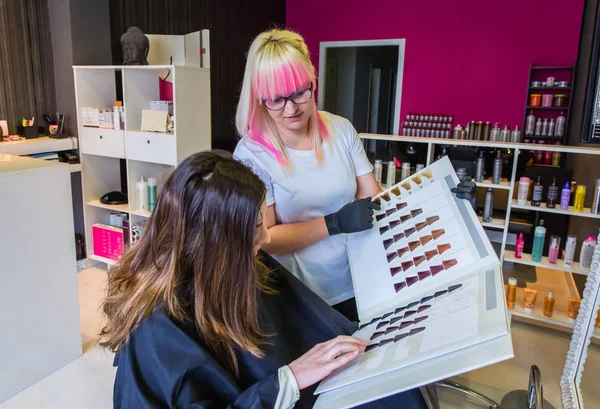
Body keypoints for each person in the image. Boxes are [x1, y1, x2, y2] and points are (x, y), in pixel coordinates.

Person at [101, 151, 426, 409]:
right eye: (257, 226)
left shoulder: (239, 265)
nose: (267, 236)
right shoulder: (154, 331)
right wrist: (288, 380)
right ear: (219, 241)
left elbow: (309, 323)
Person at [233, 29, 381, 321]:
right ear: (260, 98)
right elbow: (265, 238)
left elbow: (373, 198)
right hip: (298, 296)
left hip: (357, 281)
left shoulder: (341, 130)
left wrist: (437, 200)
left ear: (313, 80)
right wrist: (334, 223)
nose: (291, 108)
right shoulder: (251, 155)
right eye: (276, 99)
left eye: (300, 92)